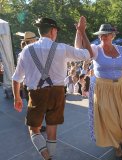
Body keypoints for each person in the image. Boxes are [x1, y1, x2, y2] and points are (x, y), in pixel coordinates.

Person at [12, 16, 93, 160]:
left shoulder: (26, 50)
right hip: (57, 93)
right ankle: (50, 156)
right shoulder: (62, 48)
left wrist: (17, 97)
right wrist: (81, 32)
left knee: (34, 129)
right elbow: (86, 53)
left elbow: (16, 78)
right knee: (52, 127)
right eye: (56, 31)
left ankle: (46, 156)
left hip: (36, 94)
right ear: (53, 31)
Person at [89, 24, 122, 159]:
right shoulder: (95, 49)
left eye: (107, 34)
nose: (103, 36)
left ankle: (121, 140)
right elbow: (80, 48)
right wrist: (80, 32)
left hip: (120, 86)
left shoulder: (121, 49)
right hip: (103, 88)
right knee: (110, 117)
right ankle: (116, 145)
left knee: (121, 116)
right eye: (101, 34)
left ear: (113, 36)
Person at [16, 31, 47, 132]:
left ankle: (33, 124)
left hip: (27, 84)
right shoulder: (33, 52)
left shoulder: (23, 53)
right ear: (33, 40)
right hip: (34, 84)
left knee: (32, 105)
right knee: (36, 107)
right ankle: (34, 126)